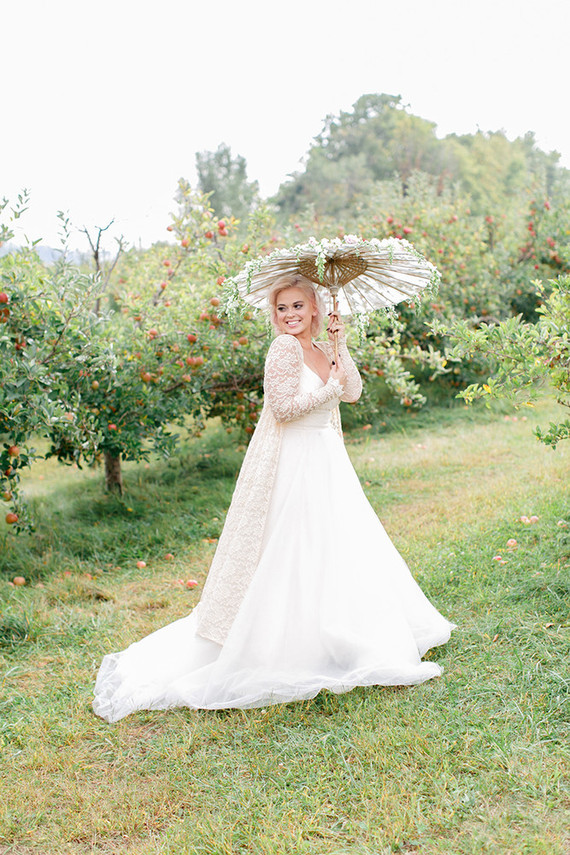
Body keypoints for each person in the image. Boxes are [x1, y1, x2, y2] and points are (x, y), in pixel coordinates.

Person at [93, 274, 455, 722]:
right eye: (282, 309)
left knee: (335, 546)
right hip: (294, 460)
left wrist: (340, 345)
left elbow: (353, 392)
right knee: (293, 548)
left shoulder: (321, 348)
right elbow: (282, 408)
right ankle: (286, 643)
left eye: (298, 307)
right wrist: (329, 389)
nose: (289, 315)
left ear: (315, 309)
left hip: (327, 458)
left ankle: (340, 632)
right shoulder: (283, 349)